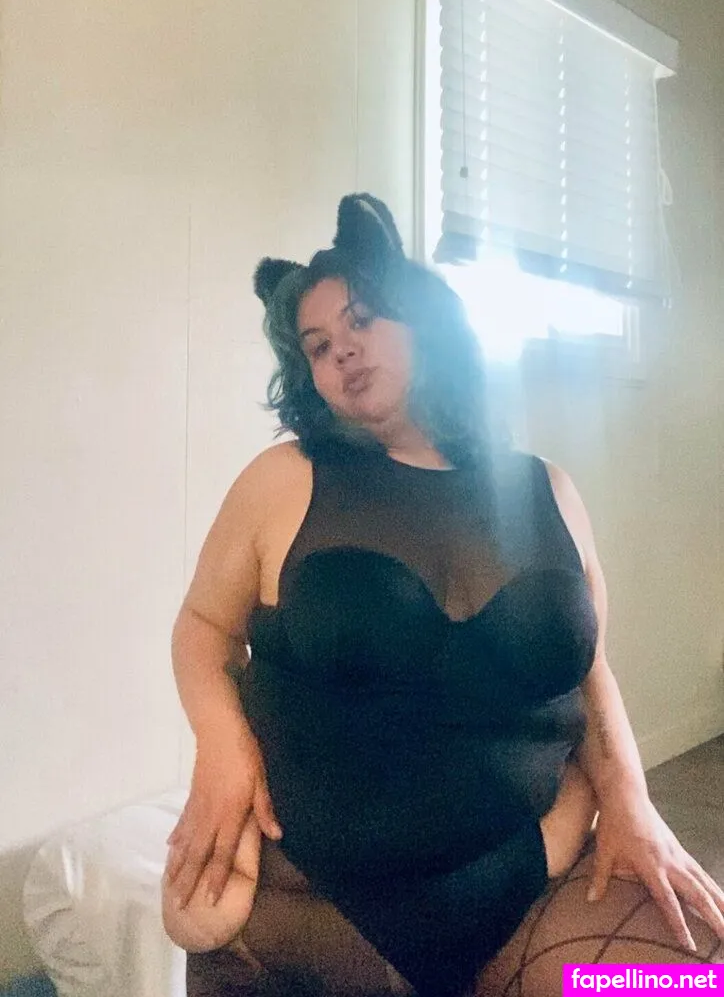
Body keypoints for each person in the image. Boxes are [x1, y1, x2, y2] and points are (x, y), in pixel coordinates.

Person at [163, 194, 724, 997]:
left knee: (696, 979)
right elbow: (202, 627)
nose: (341, 350)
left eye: (362, 320)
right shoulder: (283, 480)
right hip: (319, 895)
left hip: (527, 873)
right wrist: (221, 746)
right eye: (317, 346)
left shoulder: (551, 490)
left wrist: (631, 800)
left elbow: (589, 671)